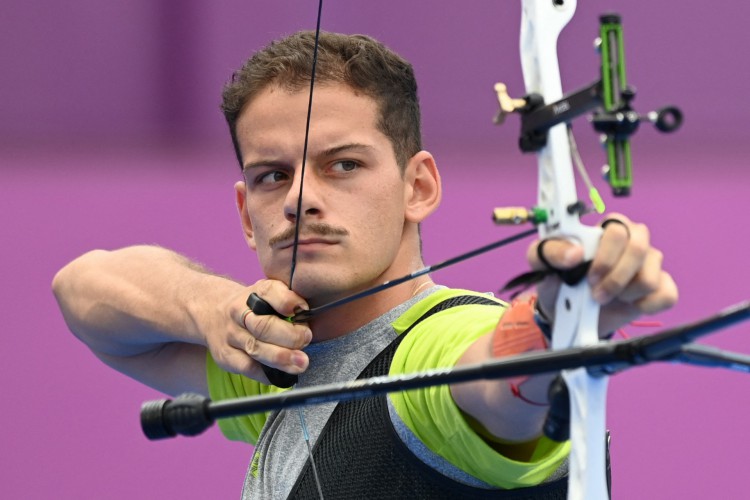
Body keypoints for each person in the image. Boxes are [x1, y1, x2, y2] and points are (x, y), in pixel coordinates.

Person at [52, 31, 677, 499]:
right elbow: (83, 291)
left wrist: (555, 316)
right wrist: (213, 307)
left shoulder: (434, 347)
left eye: (343, 164)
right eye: (273, 176)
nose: (299, 198)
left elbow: (495, 381)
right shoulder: (279, 366)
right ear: (247, 214)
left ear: (419, 187)